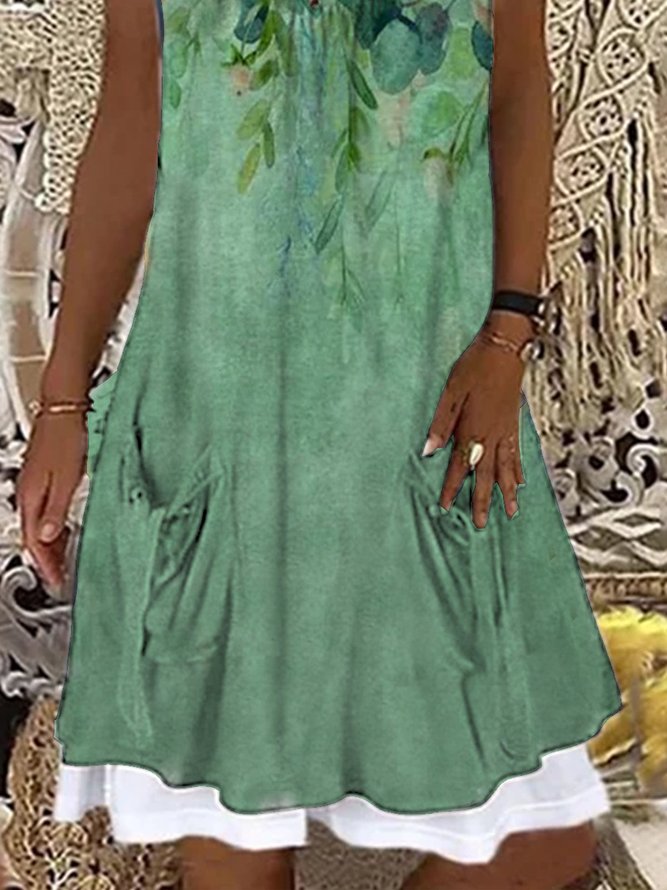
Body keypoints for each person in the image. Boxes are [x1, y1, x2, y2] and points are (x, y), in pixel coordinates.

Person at [17, 0, 623, 888]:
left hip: (423, 412)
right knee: (235, 832)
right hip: (217, 419)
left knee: (542, 840)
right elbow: (131, 124)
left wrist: (507, 331)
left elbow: (518, 89)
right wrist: (62, 401)